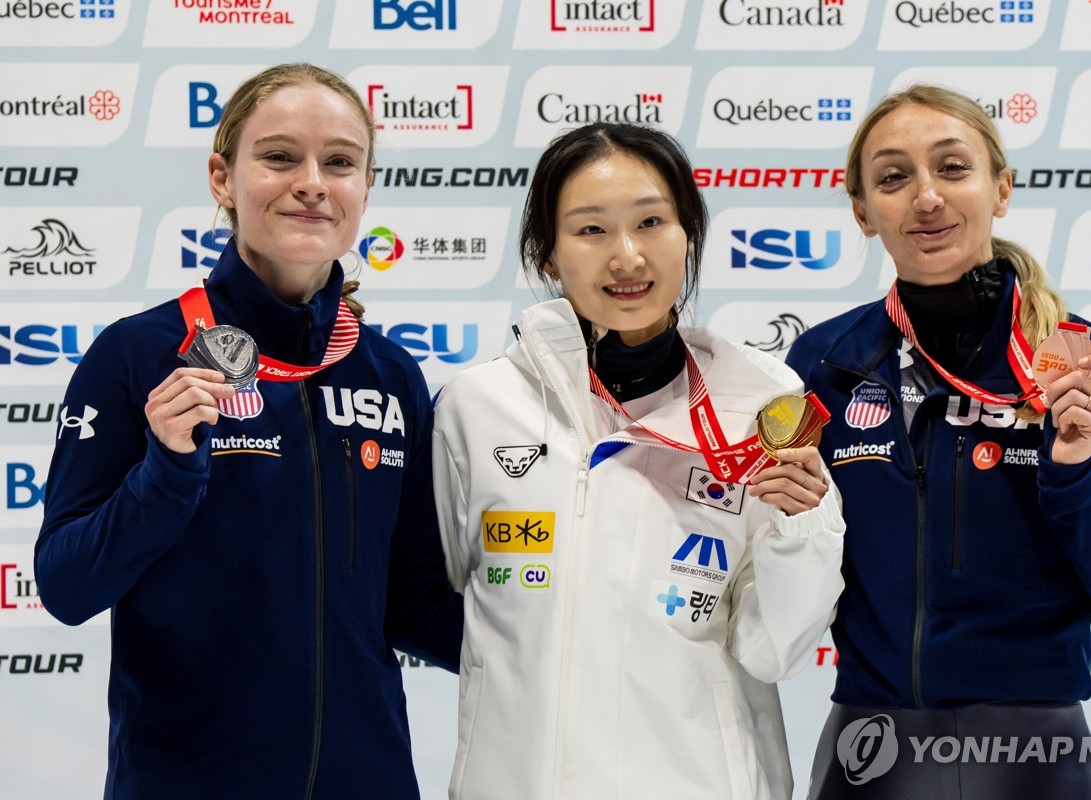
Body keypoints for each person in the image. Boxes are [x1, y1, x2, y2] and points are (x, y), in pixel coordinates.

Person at [35, 63, 462, 800]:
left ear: (364, 189)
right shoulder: (139, 353)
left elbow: (412, 602)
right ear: (221, 178)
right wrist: (166, 474)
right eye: (279, 156)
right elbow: (67, 586)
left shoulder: (390, 374)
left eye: (340, 162)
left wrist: (567, 637)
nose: (312, 182)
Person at [431, 121, 846, 800]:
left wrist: (805, 527)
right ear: (546, 254)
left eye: (652, 222)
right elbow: (438, 604)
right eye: (590, 230)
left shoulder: (763, 403)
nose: (626, 256)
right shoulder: (477, 407)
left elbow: (778, 650)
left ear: (690, 236)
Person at [785, 84, 1091, 799]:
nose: (926, 197)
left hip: (1034, 750)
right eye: (894, 177)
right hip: (872, 745)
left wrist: (1074, 472)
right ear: (863, 213)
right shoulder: (824, 363)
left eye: (952, 168)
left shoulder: (1085, 361)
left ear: (1001, 189)